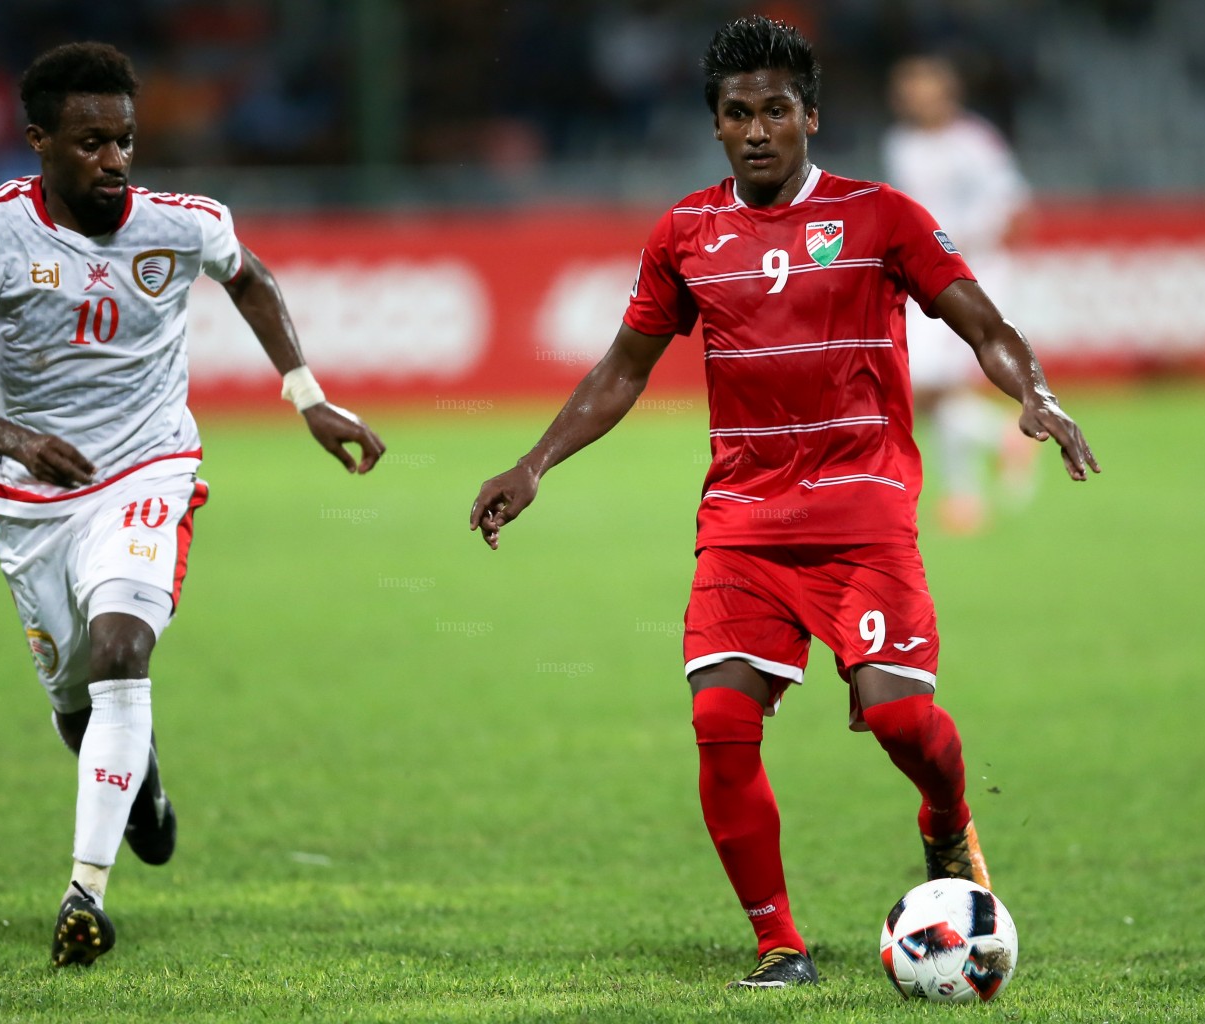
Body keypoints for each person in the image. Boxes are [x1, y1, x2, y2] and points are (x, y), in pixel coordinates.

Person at [470, 16, 1097, 990]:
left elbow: (981, 319)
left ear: (812, 116)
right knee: (721, 722)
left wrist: (1036, 393)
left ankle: (945, 819)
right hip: (744, 526)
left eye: (775, 110)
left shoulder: (881, 215)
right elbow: (621, 370)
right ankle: (779, 945)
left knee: (899, 725)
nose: (757, 129)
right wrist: (536, 461)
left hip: (864, 516)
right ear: (715, 126)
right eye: (736, 114)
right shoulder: (685, 234)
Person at [0, 42, 384, 967]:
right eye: (91, 143)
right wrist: (17, 441)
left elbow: (249, 276)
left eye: (125, 141)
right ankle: (144, 788)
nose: (114, 161)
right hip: (30, 494)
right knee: (75, 701)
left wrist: (307, 394)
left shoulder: (181, 223)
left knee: (123, 649)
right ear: (40, 142)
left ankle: (83, 894)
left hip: (145, 470)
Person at [883, 55, 1034, 534]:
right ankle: (975, 481)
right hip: (925, 276)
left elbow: (1015, 206)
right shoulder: (901, 144)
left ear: (947, 93)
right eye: (909, 92)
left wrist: (977, 254)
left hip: (971, 277)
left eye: (924, 90)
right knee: (927, 391)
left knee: (926, 386)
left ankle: (970, 486)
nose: (916, 100)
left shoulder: (975, 142)